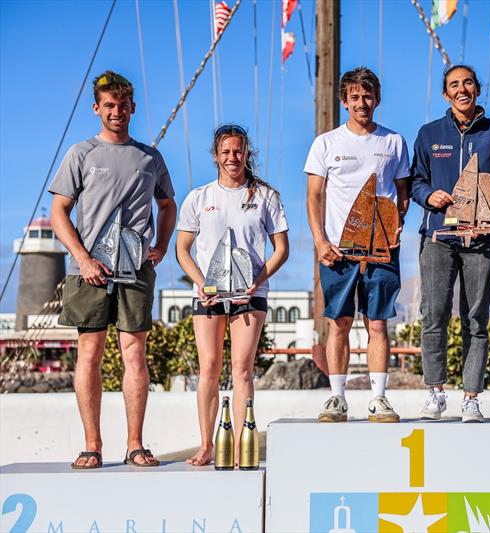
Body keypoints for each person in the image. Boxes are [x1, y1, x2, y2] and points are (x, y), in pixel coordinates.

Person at [49, 71, 176, 469]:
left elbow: (167, 204)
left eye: (122, 105)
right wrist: (84, 259)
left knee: (134, 353)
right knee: (89, 353)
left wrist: (161, 246)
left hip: (135, 270)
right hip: (88, 271)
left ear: (132, 107)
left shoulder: (149, 157)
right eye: (109, 105)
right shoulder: (81, 153)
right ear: (97, 108)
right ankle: (92, 445)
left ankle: (135, 444)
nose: (116, 112)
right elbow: (58, 213)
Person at [410, 65, 490, 422]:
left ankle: (471, 398)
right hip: (438, 239)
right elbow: (415, 181)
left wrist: (488, 215)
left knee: (475, 318)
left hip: (482, 242)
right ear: (445, 94)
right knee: (434, 314)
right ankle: (435, 392)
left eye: (468, 83)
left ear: (477, 90)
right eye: (454, 85)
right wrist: (430, 197)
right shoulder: (429, 134)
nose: (462, 90)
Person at [176, 124, 289, 466]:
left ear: (246, 154)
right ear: (215, 156)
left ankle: (241, 446)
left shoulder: (265, 196)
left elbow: (281, 249)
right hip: (209, 296)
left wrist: (259, 278)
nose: (232, 158)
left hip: (250, 294)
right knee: (208, 367)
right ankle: (207, 445)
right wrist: (201, 283)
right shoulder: (199, 197)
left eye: (237, 151)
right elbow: (182, 249)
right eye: (225, 152)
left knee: (241, 369)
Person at [305, 67, 410, 423]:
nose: (361, 103)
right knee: (339, 323)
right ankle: (337, 398)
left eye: (367, 96)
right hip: (337, 250)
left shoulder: (393, 142)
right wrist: (320, 241)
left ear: (377, 99)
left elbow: (403, 194)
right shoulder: (326, 143)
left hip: (382, 250)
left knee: (378, 323)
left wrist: (397, 227)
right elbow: (314, 196)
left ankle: (379, 399)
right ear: (344, 101)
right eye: (354, 97)